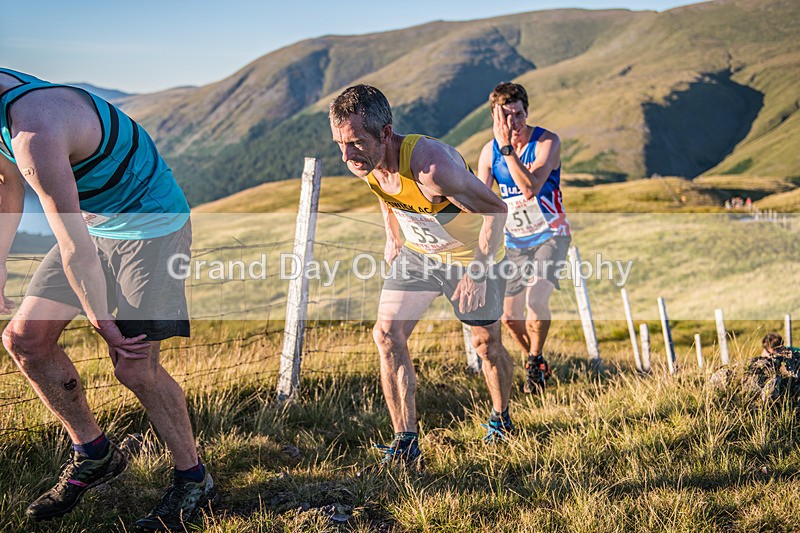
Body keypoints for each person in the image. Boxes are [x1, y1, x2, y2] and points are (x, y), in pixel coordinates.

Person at [0, 68, 214, 531]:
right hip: (93, 222)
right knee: (24, 340)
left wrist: (103, 322)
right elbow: (6, 182)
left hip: (151, 225)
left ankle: (194, 479)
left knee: (134, 366)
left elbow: (75, 250)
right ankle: (94, 452)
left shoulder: (34, 130)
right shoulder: (5, 106)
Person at [329, 85, 515, 468]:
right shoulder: (364, 160)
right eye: (340, 144)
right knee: (386, 335)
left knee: (485, 345)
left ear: (385, 133)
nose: (346, 156)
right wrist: (392, 235)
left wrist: (478, 271)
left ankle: (501, 418)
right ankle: (406, 444)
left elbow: (496, 210)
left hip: (470, 258)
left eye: (355, 143)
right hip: (420, 256)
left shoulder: (432, 169)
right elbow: (385, 192)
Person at [477, 82, 571, 394]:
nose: (513, 122)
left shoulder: (547, 142)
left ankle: (532, 362)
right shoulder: (488, 152)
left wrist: (507, 149)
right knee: (508, 318)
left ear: (526, 112)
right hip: (515, 241)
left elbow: (530, 189)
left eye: (518, 114)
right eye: (505, 115)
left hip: (551, 234)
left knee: (536, 300)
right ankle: (536, 358)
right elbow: (480, 199)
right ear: (494, 116)